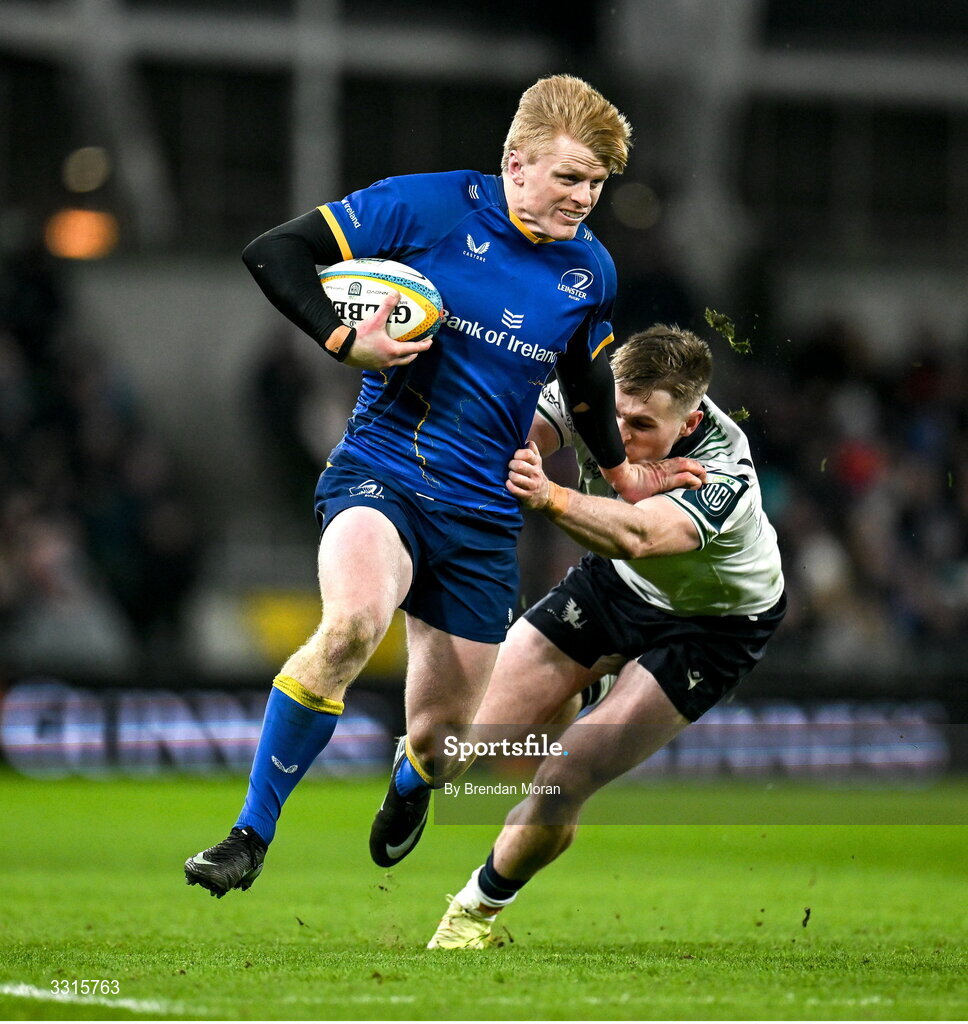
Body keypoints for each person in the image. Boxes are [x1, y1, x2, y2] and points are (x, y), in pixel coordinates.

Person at [184, 75, 705, 897]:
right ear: (516, 162)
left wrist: (619, 471)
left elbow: (583, 384)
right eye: (570, 177)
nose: (584, 198)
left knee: (448, 744)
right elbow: (273, 252)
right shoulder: (422, 208)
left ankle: (411, 780)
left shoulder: (590, 271)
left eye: (597, 185)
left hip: (484, 519)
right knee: (353, 625)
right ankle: (249, 834)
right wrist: (337, 337)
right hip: (382, 471)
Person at [425, 324, 786, 948]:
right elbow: (520, 439)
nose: (621, 436)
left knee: (565, 777)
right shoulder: (591, 392)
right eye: (616, 415)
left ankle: (474, 911)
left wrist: (548, 495)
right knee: (461, 744)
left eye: (643, 427)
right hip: (618, 585)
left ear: (691, 422)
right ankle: (586, 692)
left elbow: (640, 536)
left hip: (716, 624)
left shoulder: (726, 473)